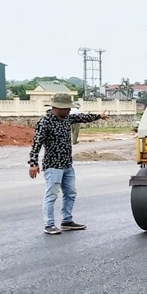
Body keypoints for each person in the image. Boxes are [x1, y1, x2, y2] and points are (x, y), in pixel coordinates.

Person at [28, 93, 108, 235]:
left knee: (70, 193)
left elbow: (82, 117)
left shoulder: (67, 119)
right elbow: (36, 144)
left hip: (67, 164)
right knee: (51, 195)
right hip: (53, 166)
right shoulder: (44, 122)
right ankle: (49, 224)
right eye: (67, 108)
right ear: (57, 107)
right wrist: (33, 163)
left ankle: (66, 221)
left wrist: (99, 116)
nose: (69, 111)